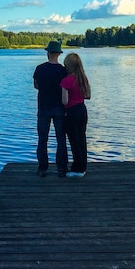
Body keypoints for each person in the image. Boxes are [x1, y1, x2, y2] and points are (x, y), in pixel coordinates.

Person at [33, 41, 68, 177]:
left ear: (48, 53)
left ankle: (42, 168)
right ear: (58, 54)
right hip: (59, 108)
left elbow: (36, 85)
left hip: (43, 108)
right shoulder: (63, 70)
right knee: (61, 139)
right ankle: (62, 168)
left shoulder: (40, 69)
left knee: (42, 139)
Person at [61, 52, 91, 178]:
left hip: (72, 111)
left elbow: (65, 101)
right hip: (82, 110)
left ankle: (77, 169)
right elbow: (87, 95)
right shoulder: (83, 78)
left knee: (74, 141)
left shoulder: (66, 81)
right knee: (82, 139)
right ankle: (83, 167)